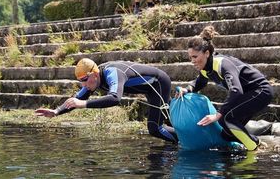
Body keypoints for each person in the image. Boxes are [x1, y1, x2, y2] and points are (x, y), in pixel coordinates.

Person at [176, 26, 273, 150]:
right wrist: (187, 89)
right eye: (190, 58)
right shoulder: (206, 69)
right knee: (226, 134)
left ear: (207, 53)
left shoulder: (222, 63)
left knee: (227, 118)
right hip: (246, 94)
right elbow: (200, 82)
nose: (192, 61)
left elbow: (236, 90)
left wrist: (218, 113)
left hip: (261, 91)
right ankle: (255, 144)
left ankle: (254, 147)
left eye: (195, 57)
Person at [35, 58, 178, 143]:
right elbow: (77, 99)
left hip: (158, 83)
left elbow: (115, 98)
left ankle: (186, 141)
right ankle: (185, 140)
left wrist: (84, 104)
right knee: (169, 122)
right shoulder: (93, 80)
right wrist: (56, 111)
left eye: (85, 80)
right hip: (147, 89)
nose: (84, 85)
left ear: (95, 74)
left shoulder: (112, 73)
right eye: (81, 81)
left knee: (155, 128)